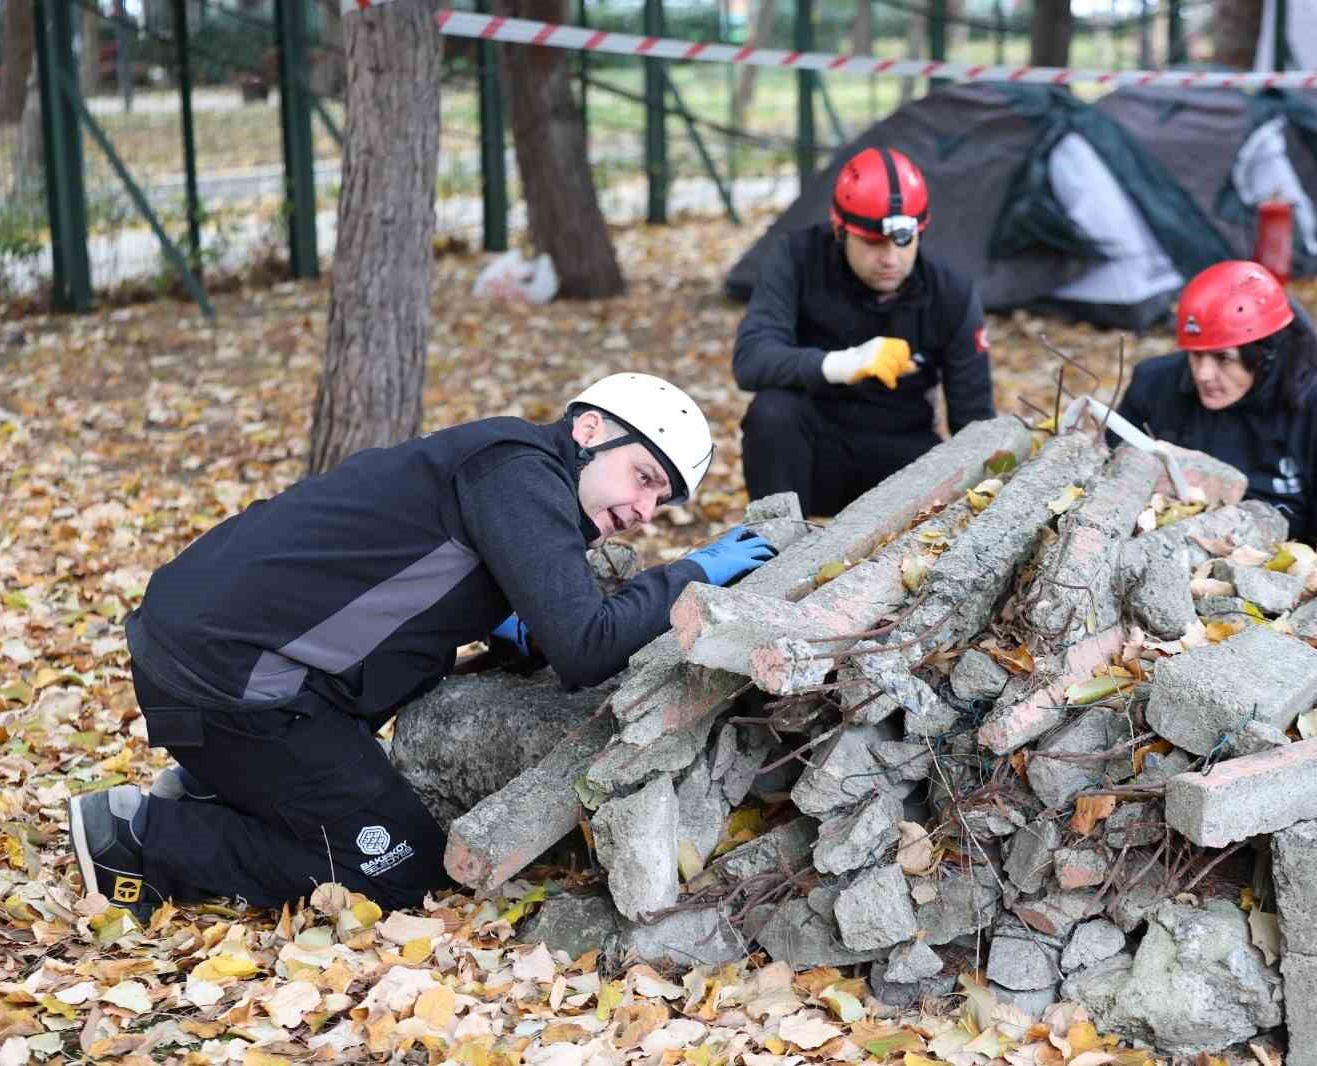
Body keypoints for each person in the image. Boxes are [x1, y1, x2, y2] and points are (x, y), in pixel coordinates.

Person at [68, 374, 777, 922]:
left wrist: (503, 622)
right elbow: (585, 648)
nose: (643, 512)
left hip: (213, 659)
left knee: (369, 811)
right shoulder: (522, 475)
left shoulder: (504, 464)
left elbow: (406, 569)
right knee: (400, 869)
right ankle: (144, 842)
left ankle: (216, 786)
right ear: (588, 429)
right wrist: (689, 577)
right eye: (645, 479)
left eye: (664, 504)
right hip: (231, 685)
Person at [733, 146, 996, 517]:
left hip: (900, 451)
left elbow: (974, 418)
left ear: (921, 229)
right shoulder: (797, 258)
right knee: (771, 412)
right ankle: (772, 547)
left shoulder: (950, 290)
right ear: (841, 229)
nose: (890, 258)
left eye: (903, 241)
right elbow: (751, 360)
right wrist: (844, 363)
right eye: (872, 242)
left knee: (941, 468)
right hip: (812, 446)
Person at [1115, 260, 1317, 551]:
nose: (1203, 375)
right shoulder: (1154, 385)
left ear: (1266, 353)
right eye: (1195, 356)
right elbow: (1110, 479)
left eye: (1224, 358)